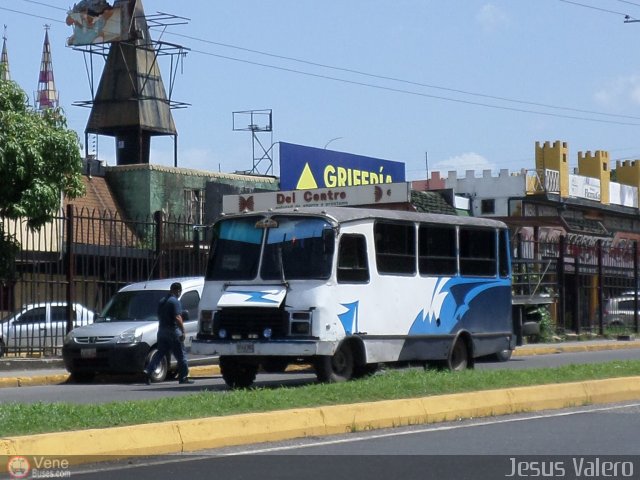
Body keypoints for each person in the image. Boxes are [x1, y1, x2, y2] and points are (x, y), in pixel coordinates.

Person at [144, 282, 194, 385]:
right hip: (172, 331)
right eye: (179, 291)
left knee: (160, 353)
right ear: (178, 291)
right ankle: (183, 377)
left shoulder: (162, 301)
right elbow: (177, 317)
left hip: (161, 330)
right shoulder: (174, 301)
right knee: (181, 355)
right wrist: (183, 331)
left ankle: (149, 370)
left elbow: (159, 315)